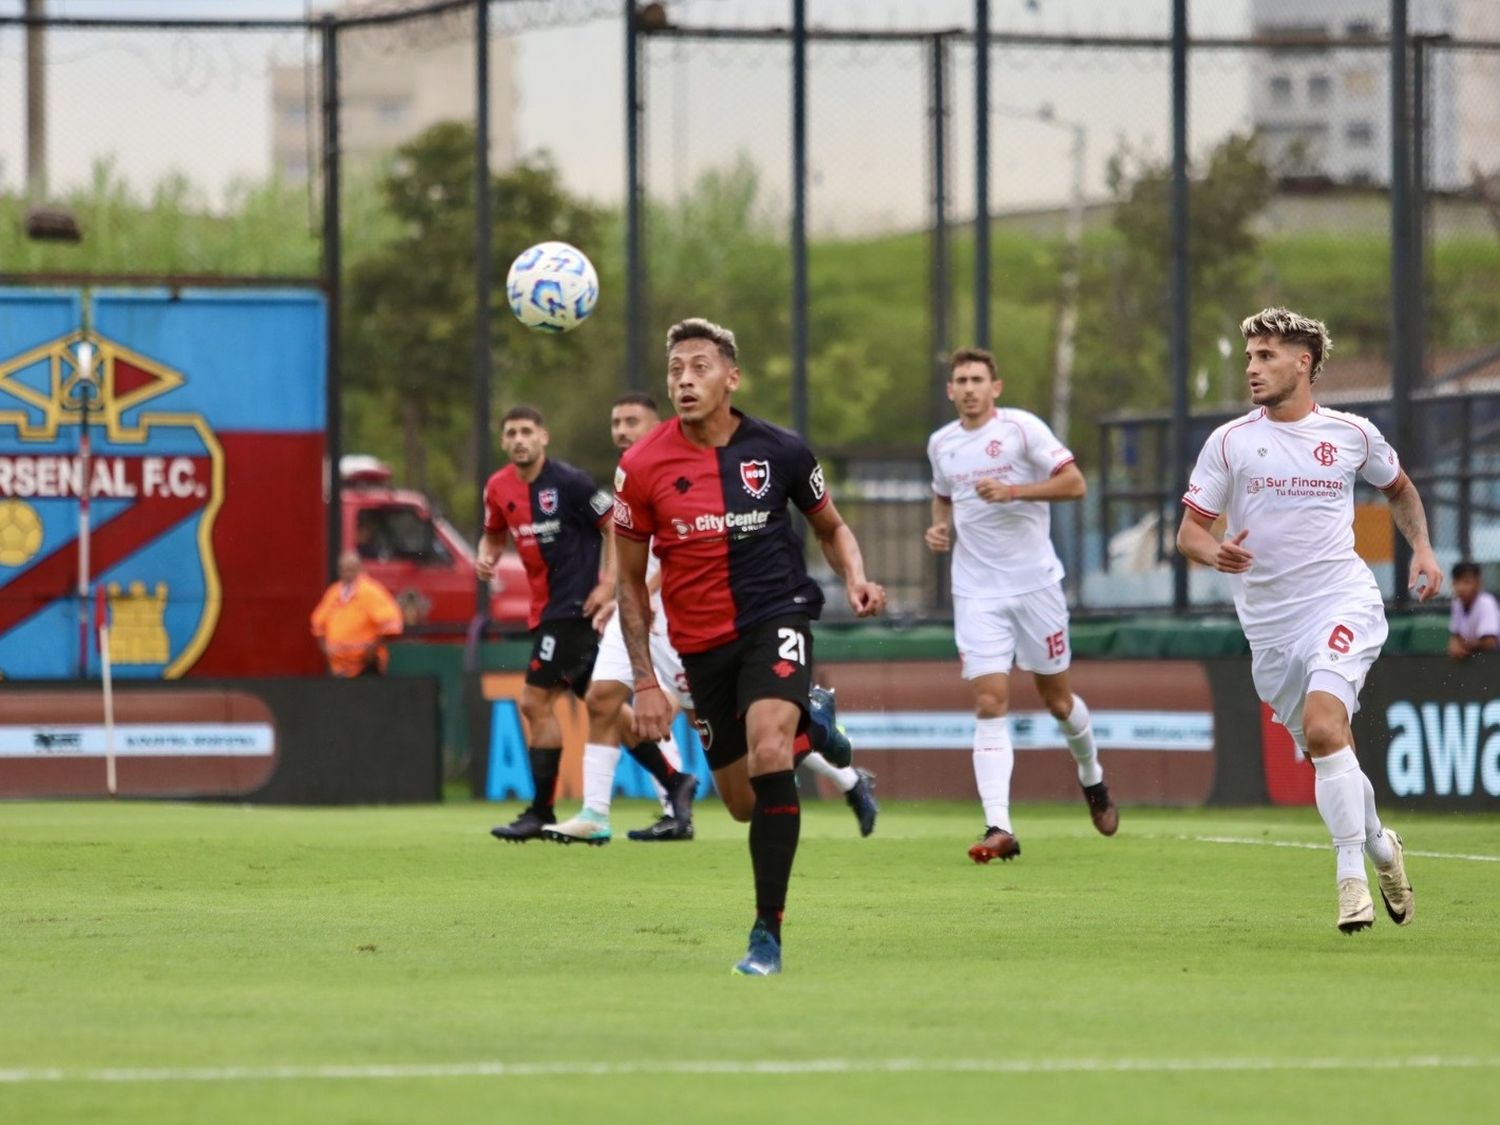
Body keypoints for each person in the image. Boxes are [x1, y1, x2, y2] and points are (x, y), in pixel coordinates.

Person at [614, 317, 886, 976]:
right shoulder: (642, 466)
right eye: (676, 368)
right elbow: (626, 581)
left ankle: (767, 931)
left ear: (731, 378)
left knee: (769, 749)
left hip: (776, 615)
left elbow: (832, 526)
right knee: (740, 803)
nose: (684, 379)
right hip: (699, 643)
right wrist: (646, 679)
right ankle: (815, 721)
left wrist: (855, 574)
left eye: (700, 366)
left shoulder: (782, 452)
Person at [1177, 307, 1438, 933]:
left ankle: (1351, 881)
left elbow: (1398, 487)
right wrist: (1218, 553)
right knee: (1330, 747)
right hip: (1270, 631)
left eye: (1266, 357)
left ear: (1305, 362)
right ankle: (1380, 846)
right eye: (1249, 358)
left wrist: (1423, 548)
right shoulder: (1231, 442)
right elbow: (1190, 532)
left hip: (1342, 601)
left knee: (1326, 728)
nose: (1252, 369)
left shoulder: (1351, 434)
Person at [546, 394, 877, 846]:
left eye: (632, 421)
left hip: (682, 617)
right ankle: (598, 813)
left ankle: (836, 762)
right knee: (602, 698)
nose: (622, 430)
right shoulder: (631, 475)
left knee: (748, 746)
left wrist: (640, 591)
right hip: (634, 616)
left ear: (660, 425)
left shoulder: (695, 467)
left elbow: (683, 550)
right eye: (616, 421)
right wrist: (616, 592)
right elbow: (621, 549)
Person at [924, 347, 1117, 865]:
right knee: (989, 702)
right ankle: (998, 826)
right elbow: (943, 496)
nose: (968, 388)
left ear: (995, 387)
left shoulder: (1022, 430)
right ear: (950, 390)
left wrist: (1014, 491)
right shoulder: (941, 444)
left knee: (1058, 702)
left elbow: (1074, 483)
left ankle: (1092, 778)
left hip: (1035, 586)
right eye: (960, 380)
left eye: (977, 380)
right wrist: (940, 527)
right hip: (976, 591)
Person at [479, 405, 616, 842]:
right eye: (511, 433)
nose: (519, 439)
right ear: (503, 442)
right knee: (604, 705)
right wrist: (488, 553)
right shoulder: (498, 487)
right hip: (544, 611)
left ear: (544, 437)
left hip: (571, 609)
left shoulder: (570, 482)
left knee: (533, 701)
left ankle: (540, 810)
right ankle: (673, 780)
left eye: (527, 431)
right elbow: (493, 532)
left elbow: (614, 523)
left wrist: (609, 584)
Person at [310, 551, 403, 677]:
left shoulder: (371, 592)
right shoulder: (333, 593)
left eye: (352, 569)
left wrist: (372, 650)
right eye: (344, 569)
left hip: (366, 666)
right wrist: (325, 649)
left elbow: (391, 624)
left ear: (360, 569)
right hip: (337, 668)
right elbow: (318, 624)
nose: (348, 572)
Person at [1447, 561, 1498, 661]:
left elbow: (1490, 643)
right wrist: (1454, 644)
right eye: (1457, 582)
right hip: (1479, 662)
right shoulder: (1457, 603)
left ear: (1478, 583)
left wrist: (1462, 646)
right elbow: (1455, 636)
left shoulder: (1486, 603)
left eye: (1467, 582)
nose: (1461, 587)